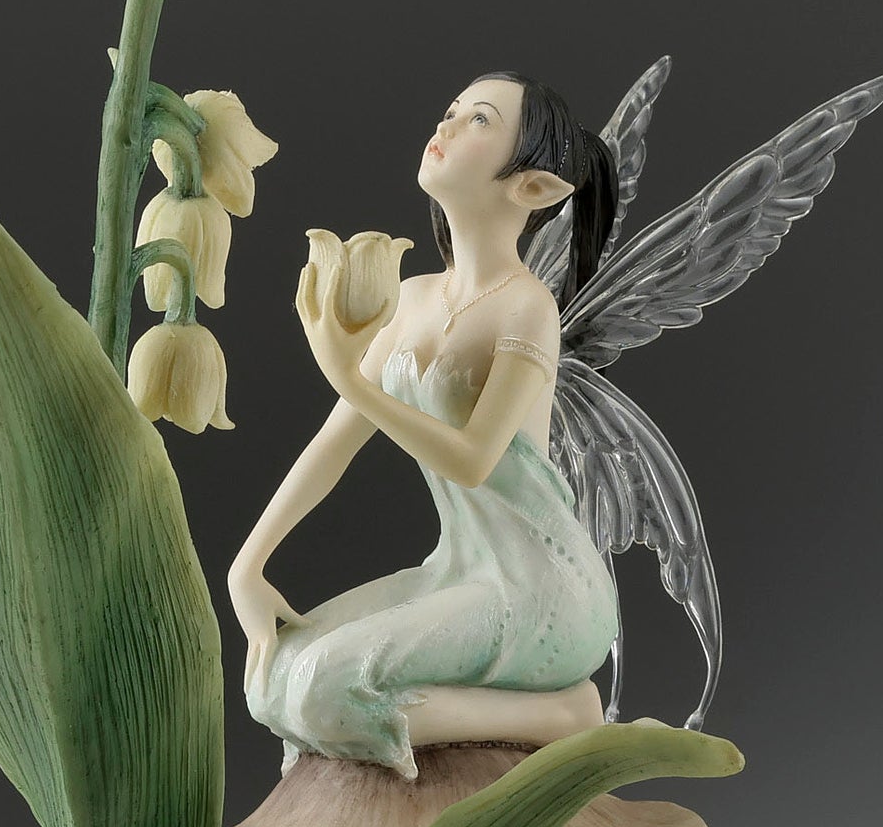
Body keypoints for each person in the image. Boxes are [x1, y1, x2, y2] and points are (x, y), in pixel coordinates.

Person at [229, 73, 622, 777]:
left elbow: (473, 460)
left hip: (540, 591)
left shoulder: (527, 308)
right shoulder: (412, 300)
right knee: (273, 676)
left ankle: (563, 714)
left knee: (320, 694)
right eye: (450, 110)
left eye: (479, 120)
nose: (445, 126)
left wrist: (352, 379)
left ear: (532, 187)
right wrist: (246, 567)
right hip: (459, 573)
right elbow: (333, 445)